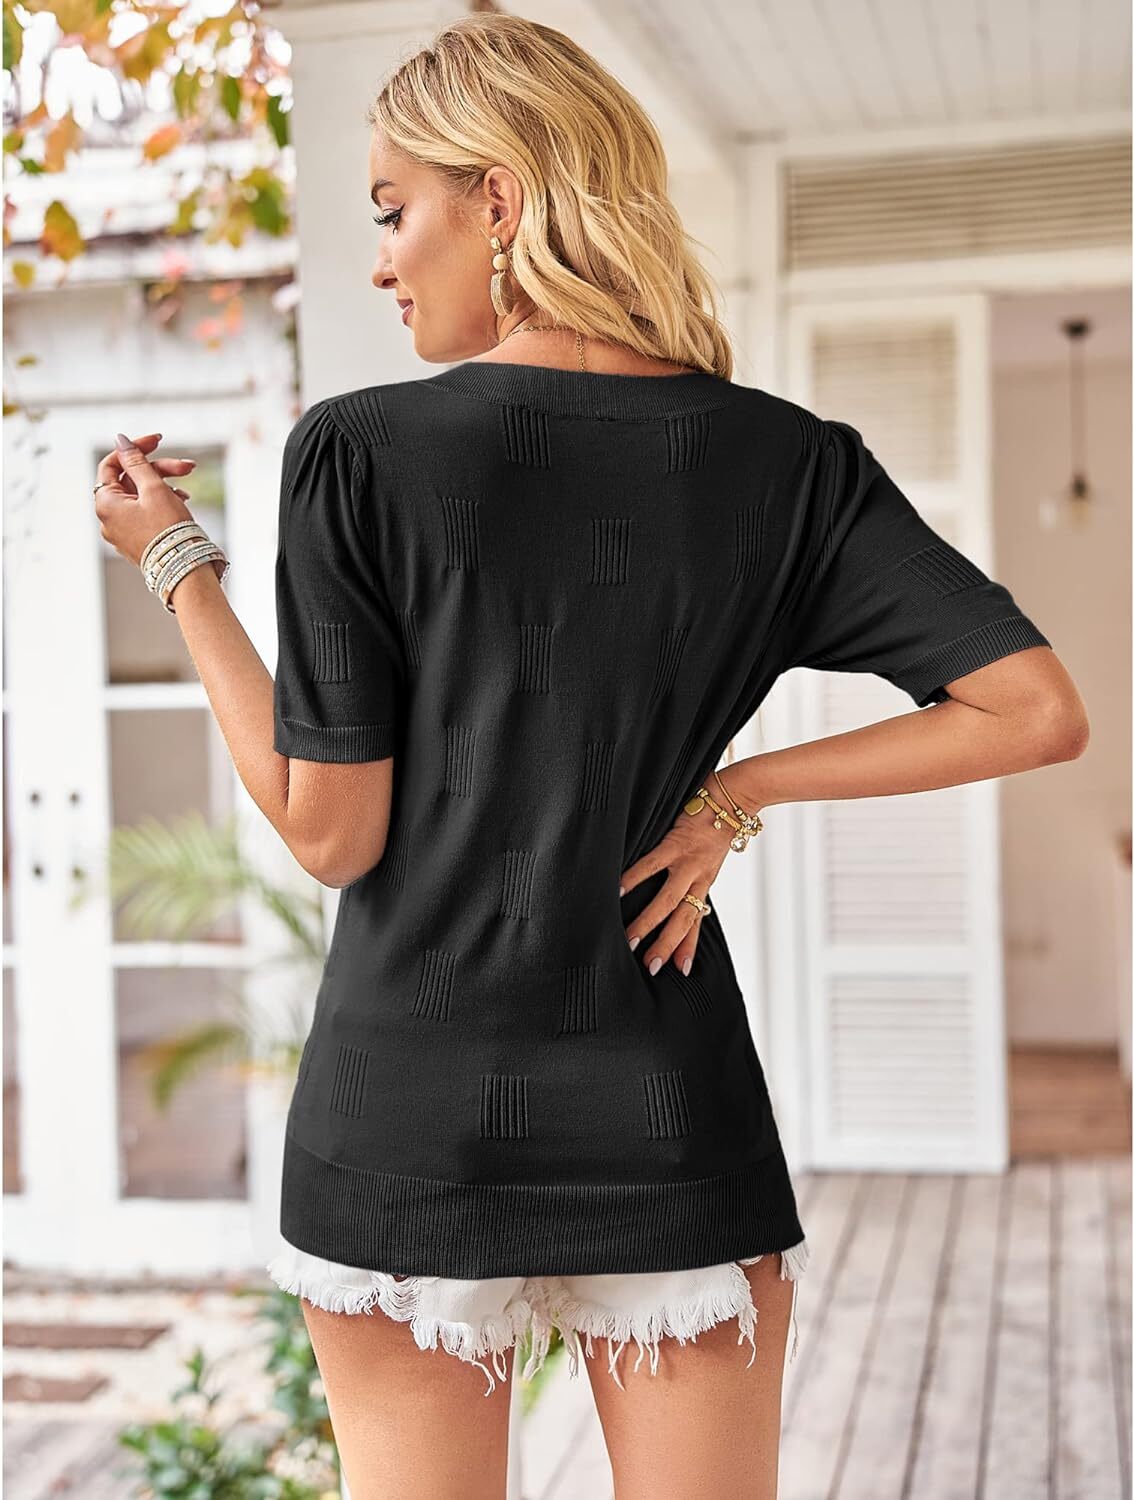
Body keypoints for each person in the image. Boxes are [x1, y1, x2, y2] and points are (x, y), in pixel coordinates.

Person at [92, 13, 1089, 1499]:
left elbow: (329, 834)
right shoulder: (786, 460)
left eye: (393, 210)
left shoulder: (359, 453)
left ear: (498, 197)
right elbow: (1032, 708)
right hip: (663, 1103)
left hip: (407, 1110)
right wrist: (733, 795)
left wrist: (177, 567)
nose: (380, 261)